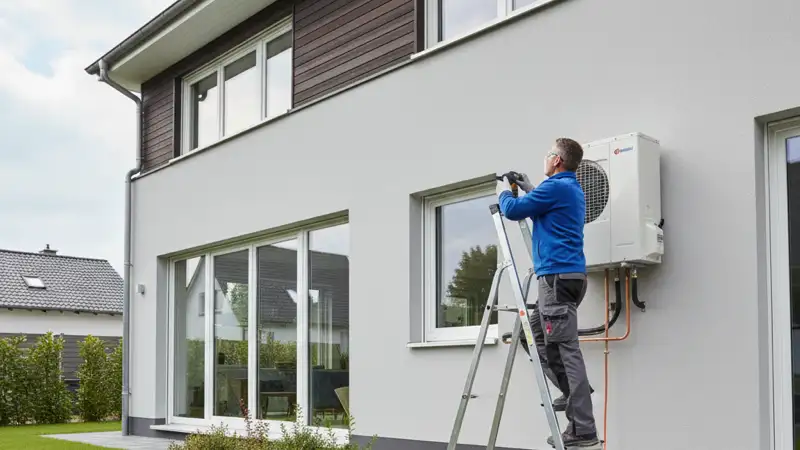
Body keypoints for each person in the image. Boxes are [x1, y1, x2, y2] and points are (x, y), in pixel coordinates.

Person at [497, 137, 599, 448]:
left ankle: (582, 429)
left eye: (548, 154)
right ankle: (572, 395)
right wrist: (530, 187)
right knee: (535, 335)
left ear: (557, 160)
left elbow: (513, 211)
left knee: (567, 350)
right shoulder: (568, 188)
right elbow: (541, 206)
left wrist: (501, 192)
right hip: (565, 277)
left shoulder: (556, 187)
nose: (546, 158)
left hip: (555, 279)